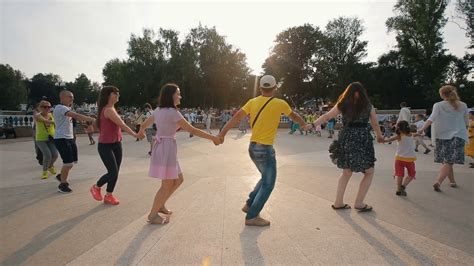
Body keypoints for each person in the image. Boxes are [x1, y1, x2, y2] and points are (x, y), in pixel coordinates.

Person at [218, 75, 309, 226]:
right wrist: (304, 124)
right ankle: (252, 216)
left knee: (264, 177)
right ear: (274, 88)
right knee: (269, 184)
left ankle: (249, 204)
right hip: (265, 149)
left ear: (260, 88)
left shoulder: (252, 102)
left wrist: (222, 133)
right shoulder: (280, 103)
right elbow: (294, 116)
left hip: (252, 147)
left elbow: (235, 118)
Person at [139, 83, 221, 225]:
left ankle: (161, 204)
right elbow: (192, 130)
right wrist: (213, 138)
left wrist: (140, 132)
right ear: (171, 95)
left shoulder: (158, 110)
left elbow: (144, 124)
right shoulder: (172, 112)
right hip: (167, 148)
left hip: (163, 147)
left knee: (178, 179)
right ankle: (153, 215)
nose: (180, 96)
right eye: (178, 93)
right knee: (167, 184)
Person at [313, 82, 384, 212]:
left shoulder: (343, 104)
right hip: (363, 139)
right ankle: (359, 203)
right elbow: (375, 123)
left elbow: (327, 116)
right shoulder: (368, 106)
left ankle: (338, 202)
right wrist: (379, 136)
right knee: (369, 172)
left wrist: (313, 124)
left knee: (346, 172)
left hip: (347, 138)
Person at [90, 86, 141, 205]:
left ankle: (109, 195)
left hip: (116, 144)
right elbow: (122, 125)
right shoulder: (108, 110)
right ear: (108, 95)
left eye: (118, 93)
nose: (118, 95)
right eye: (115, 93)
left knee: (115, 172)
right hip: (105, 146)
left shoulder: (111, 108)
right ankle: (96, 187)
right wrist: (135, 134)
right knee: (113, 172)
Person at [418, 85, 469, 192]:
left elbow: (431, 119)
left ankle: (440, 181)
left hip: (442, 135)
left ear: (442, 94)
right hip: (458, 135)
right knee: (449, 162)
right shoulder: (463, 105)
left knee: (447, 161)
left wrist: (422, 129)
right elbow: (466, 122)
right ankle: (450, 181)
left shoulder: (438, 105)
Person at [53, 90, 96, 193]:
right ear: (62, 97)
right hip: (62, 139)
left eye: (72, 97)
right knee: (68, 163)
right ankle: (63, 185)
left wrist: (73, 136)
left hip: (69, 138)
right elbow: (75, 115)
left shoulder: (67, 108)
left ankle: (61, 176)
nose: (71, 99)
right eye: (69, 97)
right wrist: (92, 119)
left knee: (72, 162)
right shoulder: (60, 108)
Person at [383, 121, 417, 196]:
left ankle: (398, 190)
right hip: (410, 159)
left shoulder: (399, 136)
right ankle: (403, 186)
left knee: (400, 175)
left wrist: (382, 140)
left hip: (399, 159)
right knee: (411, 174)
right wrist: (420, 133)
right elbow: (416, 134)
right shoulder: (411, 135)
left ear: (399, 128)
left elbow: (389, 140)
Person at [34, 100, 58, 179]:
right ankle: (45, 171)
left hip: (51, 138)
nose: (47, 108)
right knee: (47, 154)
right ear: (40, 108)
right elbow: (42, 120)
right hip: (41, 139)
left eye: (49, 107)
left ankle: (50, 166)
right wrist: (51, 122)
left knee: (55, 155)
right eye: (45, 107)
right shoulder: (37, 115)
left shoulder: (52, 115)